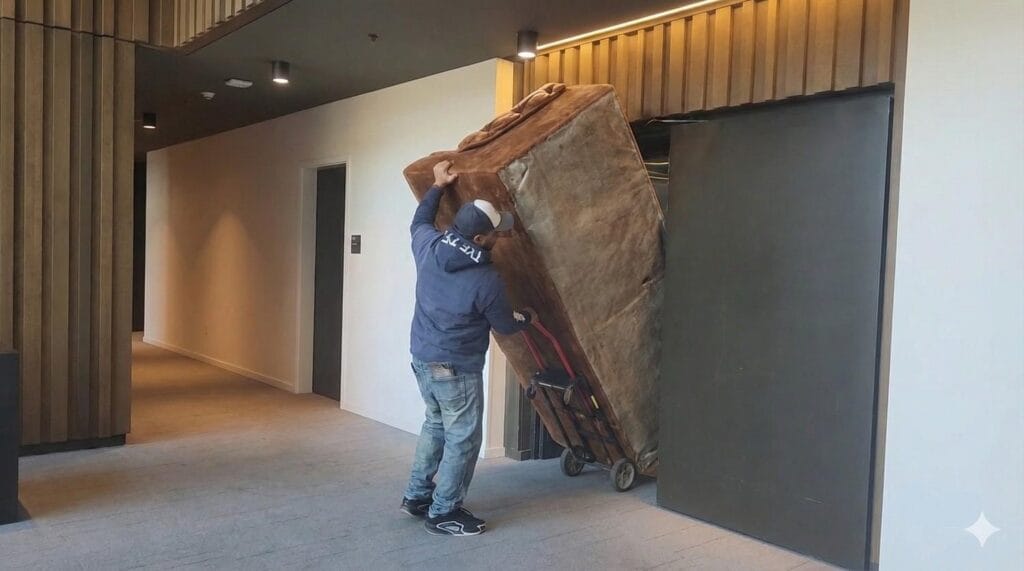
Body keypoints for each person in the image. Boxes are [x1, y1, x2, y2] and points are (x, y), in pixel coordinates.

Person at [401, 160, 531, 536]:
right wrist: (526, 318)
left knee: (435, 425)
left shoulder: (430, 245)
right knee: (463, 438)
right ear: (479, 240)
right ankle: (444, 512)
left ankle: (417, 496)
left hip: (422, 359)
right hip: (456, 368)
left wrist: (438, 186)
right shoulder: (485, 278)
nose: (499, 237)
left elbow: (418, 222)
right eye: (495, 233)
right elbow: (505, 325)